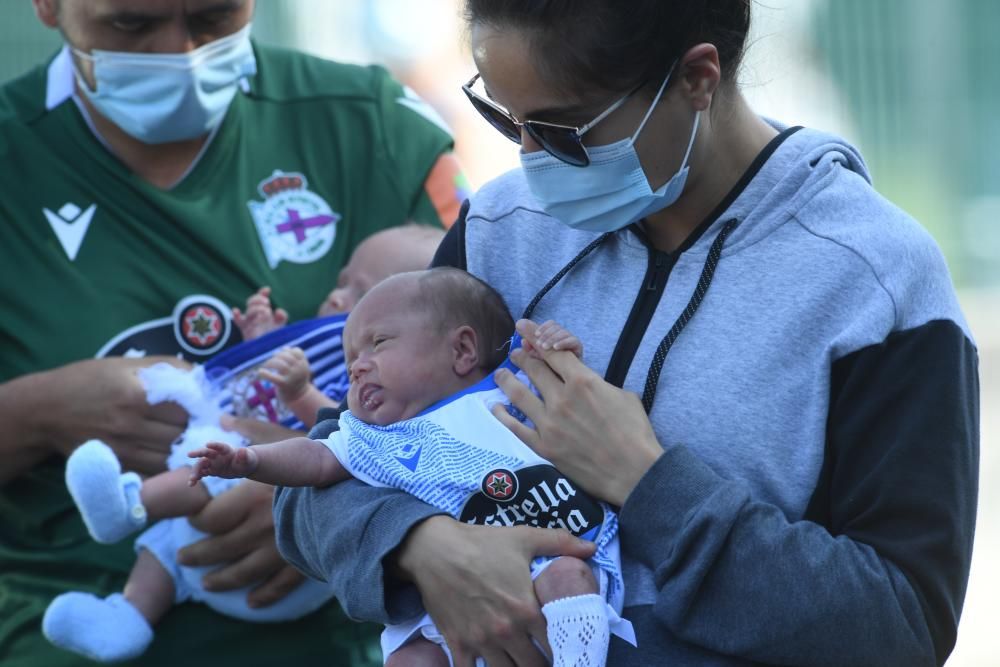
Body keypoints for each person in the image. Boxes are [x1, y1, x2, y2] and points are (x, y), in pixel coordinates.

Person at [273, 1, 981, 666]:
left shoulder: (874, 277)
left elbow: (902, 621)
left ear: (697, 79)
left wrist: (648, 485)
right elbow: (328, 469)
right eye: (504, 118)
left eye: (565, 133)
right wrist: (417, 545)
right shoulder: (499, 230)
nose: (527, 157)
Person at [0, 0, 466, 664]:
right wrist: (37, 411)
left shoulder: (379, 132)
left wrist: (328, 481)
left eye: (215, 16)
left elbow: (509, 391)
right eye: (131, 25)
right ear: (47, 6)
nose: (180, 54)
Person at [39, 225, 445, 663]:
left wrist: (299, 394)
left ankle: (128, 505)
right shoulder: (332, 351)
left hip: (299, 564)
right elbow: (256, 393)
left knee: (218, 453)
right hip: (221, 552)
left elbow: (346, 430)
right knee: (165, 546)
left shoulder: (388, 385)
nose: (335, 298)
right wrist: (265, 343)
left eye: (355, 293)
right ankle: (129, 615)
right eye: (340, 281)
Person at [190, 268, 633, 667]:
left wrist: (559, 346)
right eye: (349, 366)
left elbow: (568, 381)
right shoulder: (375, 437)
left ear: (462, 350)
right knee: (410, 658)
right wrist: (250, 460)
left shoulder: (508, 388)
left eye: (379, 343)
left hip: (555, 559)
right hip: (446, 604)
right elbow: (317, 459)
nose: (359, 367)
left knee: (568, 577)